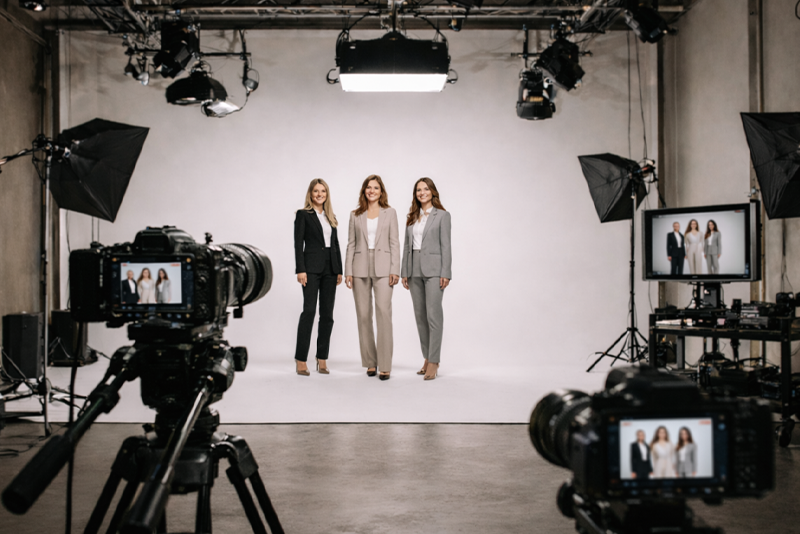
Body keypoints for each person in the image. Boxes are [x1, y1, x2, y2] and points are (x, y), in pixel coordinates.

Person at [345, 175, 400, 380]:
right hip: (359, 266)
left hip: (385, 267)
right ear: (364, 190)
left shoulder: (390, 213)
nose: (372, 191)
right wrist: (348, 271)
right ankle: (370, 362)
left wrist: (395, 269)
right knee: (363, 315)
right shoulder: (355, 214)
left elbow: (394, 242)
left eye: (375, 188)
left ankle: (385, 365)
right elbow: (351, 243)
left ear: (381, 191)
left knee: (384, 314)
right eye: (368, 187)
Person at [401, 178, 451, 381]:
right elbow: (407, 246)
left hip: (434, 270)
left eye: (425, 189)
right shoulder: (412, 217)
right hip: (414, 270)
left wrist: (445, 272)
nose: (422, 192)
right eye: (418, 190)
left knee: (433, 315)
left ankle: (434, 361)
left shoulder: (443, 216)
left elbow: (446, 246)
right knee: (420, 316)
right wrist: (404, 271)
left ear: (432, 191)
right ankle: (426, 357)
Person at [294, 178, 343, 376]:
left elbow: (336, 244)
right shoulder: (303, 215)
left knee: (328, 315)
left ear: (326, 194)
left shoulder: (331, 217)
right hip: (311, 269)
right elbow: (298, 244)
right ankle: (301, 359)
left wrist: (339, 269)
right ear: (310, 194)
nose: (319, 194)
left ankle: (322, 358)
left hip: (330, 269)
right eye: (316, 191)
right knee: (309, 311)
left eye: (323, 191)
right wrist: (300, 269)